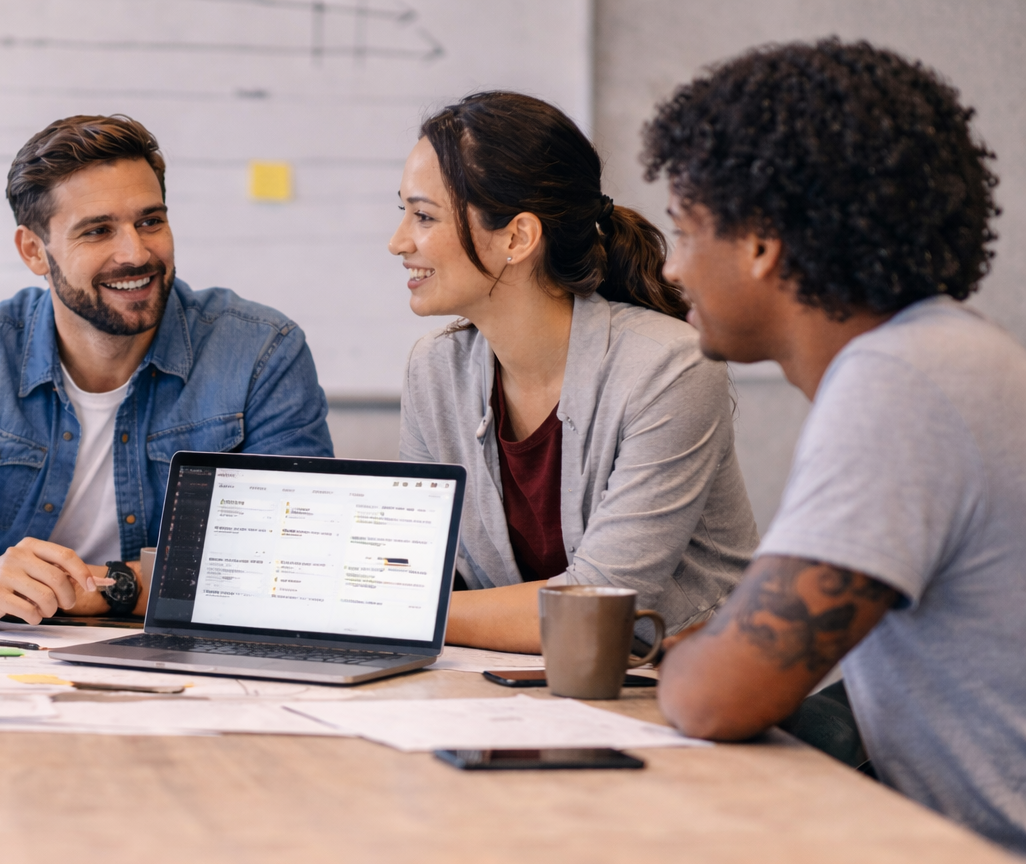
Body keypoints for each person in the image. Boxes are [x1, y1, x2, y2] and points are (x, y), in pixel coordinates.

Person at [647, 39, 1025, 853]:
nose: (672, 269)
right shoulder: (943, 354)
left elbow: (718, 699)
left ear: (760, 242)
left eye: (681, 231)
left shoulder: (902, 381)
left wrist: (687, 663)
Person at [0, 114, 332, 626]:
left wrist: (103, 589)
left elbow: (290, 560)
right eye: (98, 230)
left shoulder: (261, 352)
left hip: (185, 660)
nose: (135, 253)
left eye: (150, 221)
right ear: (33, 251)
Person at [390, 92, 759, 653]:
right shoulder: (434, 370)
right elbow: (420, 570)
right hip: (514, 683)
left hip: (675, 684)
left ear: (517, 237)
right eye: (404, 213)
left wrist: (400, 612)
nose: (398, 243)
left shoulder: (669, 367)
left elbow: (598, 604)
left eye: (423, 216)